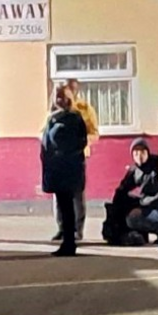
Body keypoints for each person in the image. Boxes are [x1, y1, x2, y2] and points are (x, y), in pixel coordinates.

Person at [41, 85, 89, 257]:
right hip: (56, 169)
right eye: (57, 97)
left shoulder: (74, 118)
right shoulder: (51, 119)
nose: (59, 100)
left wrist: (63, 155)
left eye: (62, 97)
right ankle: (66, 239)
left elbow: (80, 142)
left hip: (68, 169)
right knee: (63, 206)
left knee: (69, 207)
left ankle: (70, 242)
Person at [51, 78, 99, 243]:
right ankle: (62, 228)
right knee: (59, 196)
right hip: (58, 160)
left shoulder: (84, 110)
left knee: (77, 195)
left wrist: (80, 145)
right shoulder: (54, 113)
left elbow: (93, 132)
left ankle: (77, 229)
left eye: (71, 89)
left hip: (77, 156)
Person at [102, 138, 158, 246]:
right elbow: (123, 188)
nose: (139, 156)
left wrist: (143, 204)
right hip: (146, 204)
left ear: (147, 152)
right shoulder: (135, 170)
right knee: (123, 204)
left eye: (142, 152)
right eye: (136, 153)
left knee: (133, 218)